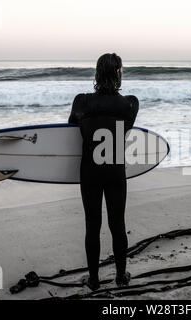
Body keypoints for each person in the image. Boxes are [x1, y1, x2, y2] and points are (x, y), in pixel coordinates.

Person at [68, 53, 139, 291]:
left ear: (97, 73)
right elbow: (125, 128)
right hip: (115, 172)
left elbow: (70, 128)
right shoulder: (130, 104)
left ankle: (94, 280)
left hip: (90, 172)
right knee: (117, 224)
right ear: (118, 73)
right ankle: (120, 276)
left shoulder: (82, 102)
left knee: (92, 225)